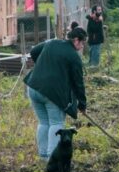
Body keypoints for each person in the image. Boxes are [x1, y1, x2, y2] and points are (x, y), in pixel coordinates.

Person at [24, 27, 88, 161]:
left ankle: (43, 157)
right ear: (76, 40)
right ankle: (52, 159)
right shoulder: (73, 56)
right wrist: (82, 104)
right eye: (82, 43)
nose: (82, 46)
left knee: (43, 123)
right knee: (56, 123)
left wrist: (44, 66)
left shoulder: (52, 43)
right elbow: (78, 83)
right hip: (52, 93)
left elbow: (34, 51)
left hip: (33, 87)